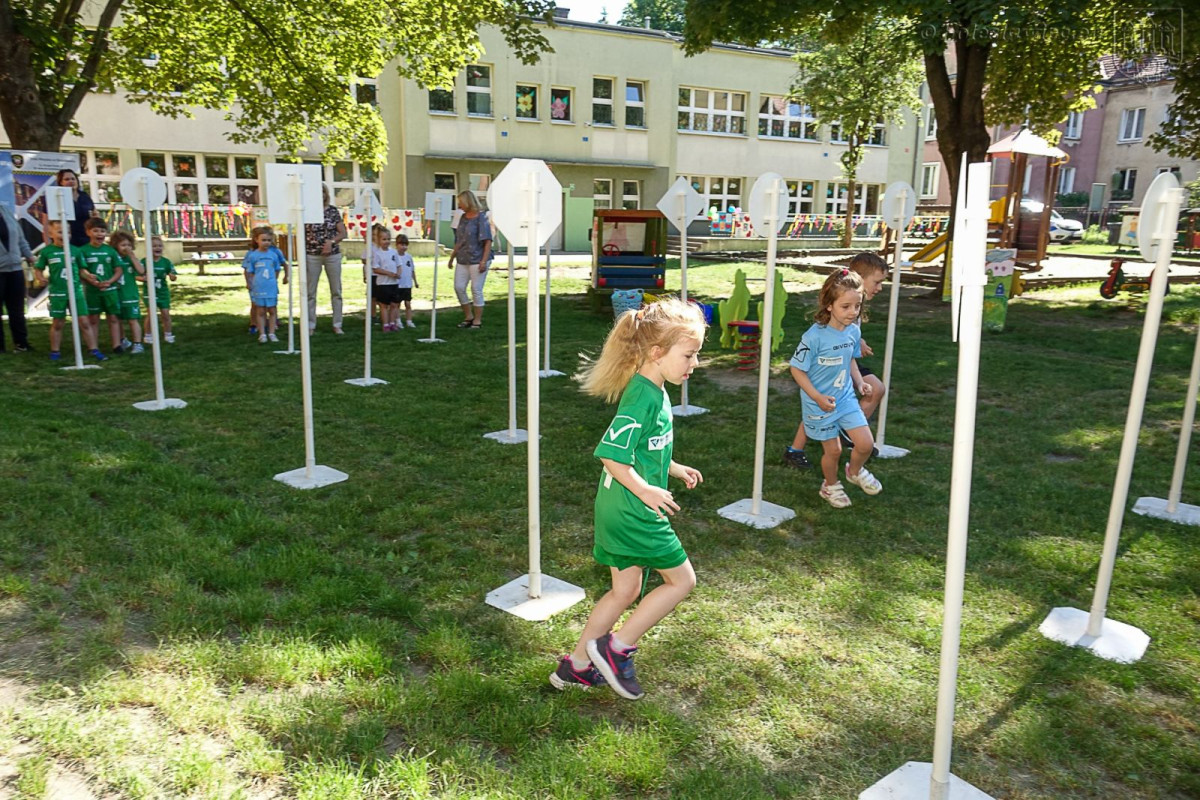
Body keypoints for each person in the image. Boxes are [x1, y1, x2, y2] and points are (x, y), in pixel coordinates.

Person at [551, 297, 706, 700]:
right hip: (634, 509)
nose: (694, 365)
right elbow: (610, 453)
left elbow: (642, 447)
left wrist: (671, 468)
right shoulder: (643, 397)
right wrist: (646, 489)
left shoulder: (653, 389)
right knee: (681, 580)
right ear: (657, 353)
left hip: (617, 506)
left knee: (625, 591)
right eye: (689, 355)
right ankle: (616, 649)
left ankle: (577, 666)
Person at [784, 253, 888, 469]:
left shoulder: (854, 306)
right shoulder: (843, 303)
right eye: (877, 282)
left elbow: (851, 334)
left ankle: (849, 431)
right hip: (832, 359)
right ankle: (801, 447)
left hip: (846, 357)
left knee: (845, 398)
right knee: (822, 402)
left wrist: (860, 343)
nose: (879, 287)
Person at [32, 220, 105, 362]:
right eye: (60, 232)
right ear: (51, 234)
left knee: (84, 321)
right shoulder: (47, 252)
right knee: (58, 322)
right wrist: (40, 278)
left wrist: (89, 276)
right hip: (58, 292)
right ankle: (55, 351)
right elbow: (38, 269)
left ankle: (93, 349)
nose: (65, 235)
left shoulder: (75, 251)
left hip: (76, 292)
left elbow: (82, 269)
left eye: (68, 232)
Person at [303, 184, 347, 334]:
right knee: (310, 292)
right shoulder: (306, 211)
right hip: (312, 255)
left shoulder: (332, 211)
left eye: (323, 192)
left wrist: (331, 242)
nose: (320, 195)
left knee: (336, 290)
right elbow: (302, 234)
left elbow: (342, 233)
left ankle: (337, 323)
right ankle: (310, 325)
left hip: (332, 255)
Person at [78, 218, 125, 353]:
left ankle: (116, 345)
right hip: (93, 291)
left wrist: (110, 281)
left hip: (110, 290)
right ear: (88, 232)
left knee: (113, 317)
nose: (99, 234)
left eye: (102, 231)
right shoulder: (83, 251)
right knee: (93, 318)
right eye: (95, 231)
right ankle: (94, 346)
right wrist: (91, 280)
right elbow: (82, 269)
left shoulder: (110, 251)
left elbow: (118, 269)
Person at [446, 190, 492, 329]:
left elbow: (488, 241)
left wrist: (483, 261)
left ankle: (477, 320)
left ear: (468, 202)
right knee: (459, 287)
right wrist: (452, 257)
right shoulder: (463, 218)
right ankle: (468, 316)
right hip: (463, 258)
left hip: (478, 259)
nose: (459, 205)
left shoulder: (481, 218)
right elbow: (459, 240)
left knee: (476, 289)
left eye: (460, 202)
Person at [0, 202, 35, 353]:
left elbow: (21, 239)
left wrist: (29, 256)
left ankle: (21, 344)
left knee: (17, 309)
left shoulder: (6, 210)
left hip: (15, 269)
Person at [243, 226, 289, 343]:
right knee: (260, 310)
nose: (266, 243)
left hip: (271, 287)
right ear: (256, 240)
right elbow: (249, 271)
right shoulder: (253, 255)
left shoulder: (274, 254)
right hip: (258, 286)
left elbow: (278, 268)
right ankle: (262, 333)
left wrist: (277, 279)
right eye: (263, 240)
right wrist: (250, 283)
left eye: (269, 240)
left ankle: (272, 332)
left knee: (272, 310)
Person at [109, 231, 146, 354]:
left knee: (132, 319)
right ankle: (123, 339)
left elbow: (141, 271)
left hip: (130, 294)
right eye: (123, 245)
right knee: (117, 319)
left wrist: (132, 257)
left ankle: (138, 343)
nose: (127, 248)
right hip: (116, 293)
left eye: (129, 245)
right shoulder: (113, 258)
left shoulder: (131, 259)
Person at [139, 235, 178, 343]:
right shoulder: (144, 261)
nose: (157, 248)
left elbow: (173, 275)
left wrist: (172, 276)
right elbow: (136, 275)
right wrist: (144, 278)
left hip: (162, 291)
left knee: (165, 313)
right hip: (150, 292)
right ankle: (148, 335)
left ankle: (168, 334)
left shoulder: (166, 262)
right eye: (154, 246)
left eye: (160, 246)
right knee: (151, 314)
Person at [50, 169, 98, 248]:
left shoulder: (84, 196)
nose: (71, 181)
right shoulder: (56, 197)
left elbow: (95, 214)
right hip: (66, 238)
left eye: (73, 179)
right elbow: (48, 223)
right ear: (61, 182)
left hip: (86, 237)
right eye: (67, 179)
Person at [366, 224, 401, 331]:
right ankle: (385, 324)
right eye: (384, 239)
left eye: (388, 239)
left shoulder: (394, 252)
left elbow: (399, 264)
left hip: (393, 283)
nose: (386, 241)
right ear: (378, 240)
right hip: (383, 284)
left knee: (394, 304)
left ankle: (392, 322)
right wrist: (388, 273)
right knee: (384, 305)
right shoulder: (377, 253)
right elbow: (375, 268)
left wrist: (398, 273)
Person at [394, 233, 419, 329]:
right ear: (397, 245)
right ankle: (398, 321)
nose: (404, 247)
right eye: (401, 245)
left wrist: (415, 281)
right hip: (398, 284)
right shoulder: (395, 256)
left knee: (408, 304)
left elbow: (412, 270)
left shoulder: (409, 257)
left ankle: (409, 321)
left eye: (405, 245)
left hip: (407, 284)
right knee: (397, 304)